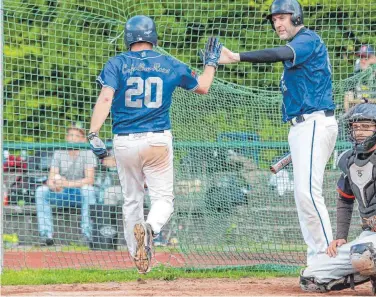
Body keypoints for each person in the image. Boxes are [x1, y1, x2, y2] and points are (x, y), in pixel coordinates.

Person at [87, 15, 221, 274]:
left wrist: (93, 133)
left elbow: (105, 98)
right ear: (154, 37)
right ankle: (151, 229)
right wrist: (211, 64)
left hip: (124, 141)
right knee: (164, 199)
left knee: (132, 200)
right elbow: (203, 86)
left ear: (128, 38)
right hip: (157, 139)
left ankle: (139, 260)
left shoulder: (116, 63)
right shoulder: (169, 63)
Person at [217, 0, 338, 265]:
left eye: (282, 18)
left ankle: (332, 258)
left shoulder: (308, 40)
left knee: (308, 192)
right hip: (301, 127)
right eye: (274, 20)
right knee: (302, 196)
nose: (277, 24)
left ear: (296, 17)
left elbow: (279, 53)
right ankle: (318, 259)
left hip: (315, 122)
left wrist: (237, 57)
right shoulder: (299, 47)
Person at [299, 103, 376, 296]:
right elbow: (345, 199)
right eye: (356, 127)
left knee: (363, 253)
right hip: (367, 239)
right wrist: (341, 236)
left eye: (366, 126)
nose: (359, 132)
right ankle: (375, 270)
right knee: (310, 279)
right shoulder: (349, 160)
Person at [35, 122, 97, 246]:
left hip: (78, 194)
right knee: (41, 191)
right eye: (70, 135)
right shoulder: (59, 152)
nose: (72, 138)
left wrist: (67, 183)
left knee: (88, 190)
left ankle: (87, 235)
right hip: (61, 193)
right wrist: (54, 185)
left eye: (76, 135)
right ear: (66, 138)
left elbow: (90, 180)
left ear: (83, 139)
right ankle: (46, 235)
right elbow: (51, 177)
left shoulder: (87, 152)